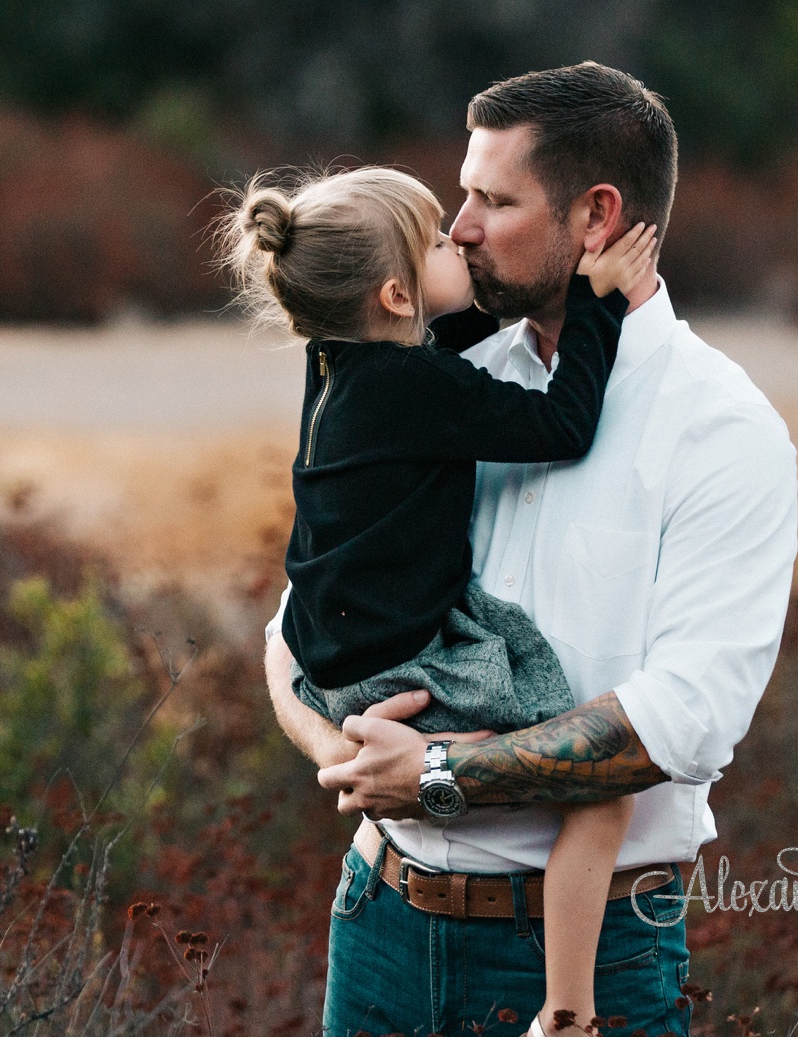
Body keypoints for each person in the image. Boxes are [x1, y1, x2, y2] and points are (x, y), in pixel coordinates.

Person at [263, 62, 798, 1037]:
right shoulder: (443, 370)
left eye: (491, 200)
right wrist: (345, 752)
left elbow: (673, 725)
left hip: (594, 960)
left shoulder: (721, 430)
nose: (461, 226)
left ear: (596, 218)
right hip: (379, 920)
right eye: (457, 199)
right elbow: (300, 624)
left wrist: (435, 772)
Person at [223, 164, 661, 1037]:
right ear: (394, 294)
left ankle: (440, 769)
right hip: (401, 662)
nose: (459, 236)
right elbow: (559, 427)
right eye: (434, 237)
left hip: (329, 655)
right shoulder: (419, 389)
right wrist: (598, 303)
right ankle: (567, 1013)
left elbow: (449, 328)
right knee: (601, 785)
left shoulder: (341, 361)